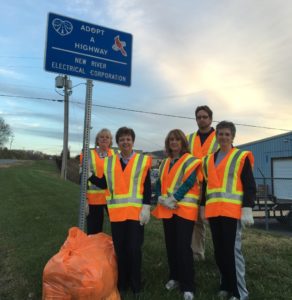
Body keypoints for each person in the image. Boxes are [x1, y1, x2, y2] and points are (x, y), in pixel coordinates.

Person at [88, 127, 152, 298]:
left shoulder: (142, 161)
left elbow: (147, 186)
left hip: (135, 213)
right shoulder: (110, 162)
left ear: (133, 142)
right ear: (117, 143)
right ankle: (122, 283)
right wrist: (89, 176)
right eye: (122, 139)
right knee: (121, 249)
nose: (125, 142)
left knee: (134, 248)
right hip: (117, 214)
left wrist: (146, 206)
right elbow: (104, 184)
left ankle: (136, 284)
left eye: (128, 139)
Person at [200, 121, 256, 300]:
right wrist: (203, 207)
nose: (223, 137)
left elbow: (249, 185)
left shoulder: (241, 156)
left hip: (232, 212)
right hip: (214, 212)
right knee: (219, 251)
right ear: (216, 136)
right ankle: (226, 284)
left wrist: (247, 208)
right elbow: (205, 186)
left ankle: (240, 293)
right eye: (220, 134)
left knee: (232, 252)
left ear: (232, 136)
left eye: (227, 134)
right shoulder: (208, 159)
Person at [152, 129, 202, 300]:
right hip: (167, 208)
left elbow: (189, 182)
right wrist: (160, 196)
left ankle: (188, 285)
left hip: (184, 209)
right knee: (171, 245)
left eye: (177, 140)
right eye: (171, 140)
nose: (174, 142)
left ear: (182, 142)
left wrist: (174, 198)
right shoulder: (165, 162)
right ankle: (174, 277)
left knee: (183, 247)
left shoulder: (191, 160)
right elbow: (159, 182)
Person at [186, 105, 219, 261]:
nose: (201, 119)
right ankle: (197, 255)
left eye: (205, 117)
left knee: (215, 221)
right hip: (194, 186)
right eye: (199, 117)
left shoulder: (220, 137)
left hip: (213, 186)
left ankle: (222, 254)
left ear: (211, 119)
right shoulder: (189, 138)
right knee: (196, 221)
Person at [79, 128, 116, 234]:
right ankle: (93, 250)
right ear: (97, 140)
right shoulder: (88, 154)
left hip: (112, 198)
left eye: (107, 137)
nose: (104, 139)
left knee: (118, 228)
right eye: (102, 137)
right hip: (94, 199)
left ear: (110, 141)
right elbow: (82, 178)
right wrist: (84, 199)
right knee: (94, 230)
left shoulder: (116, 155)